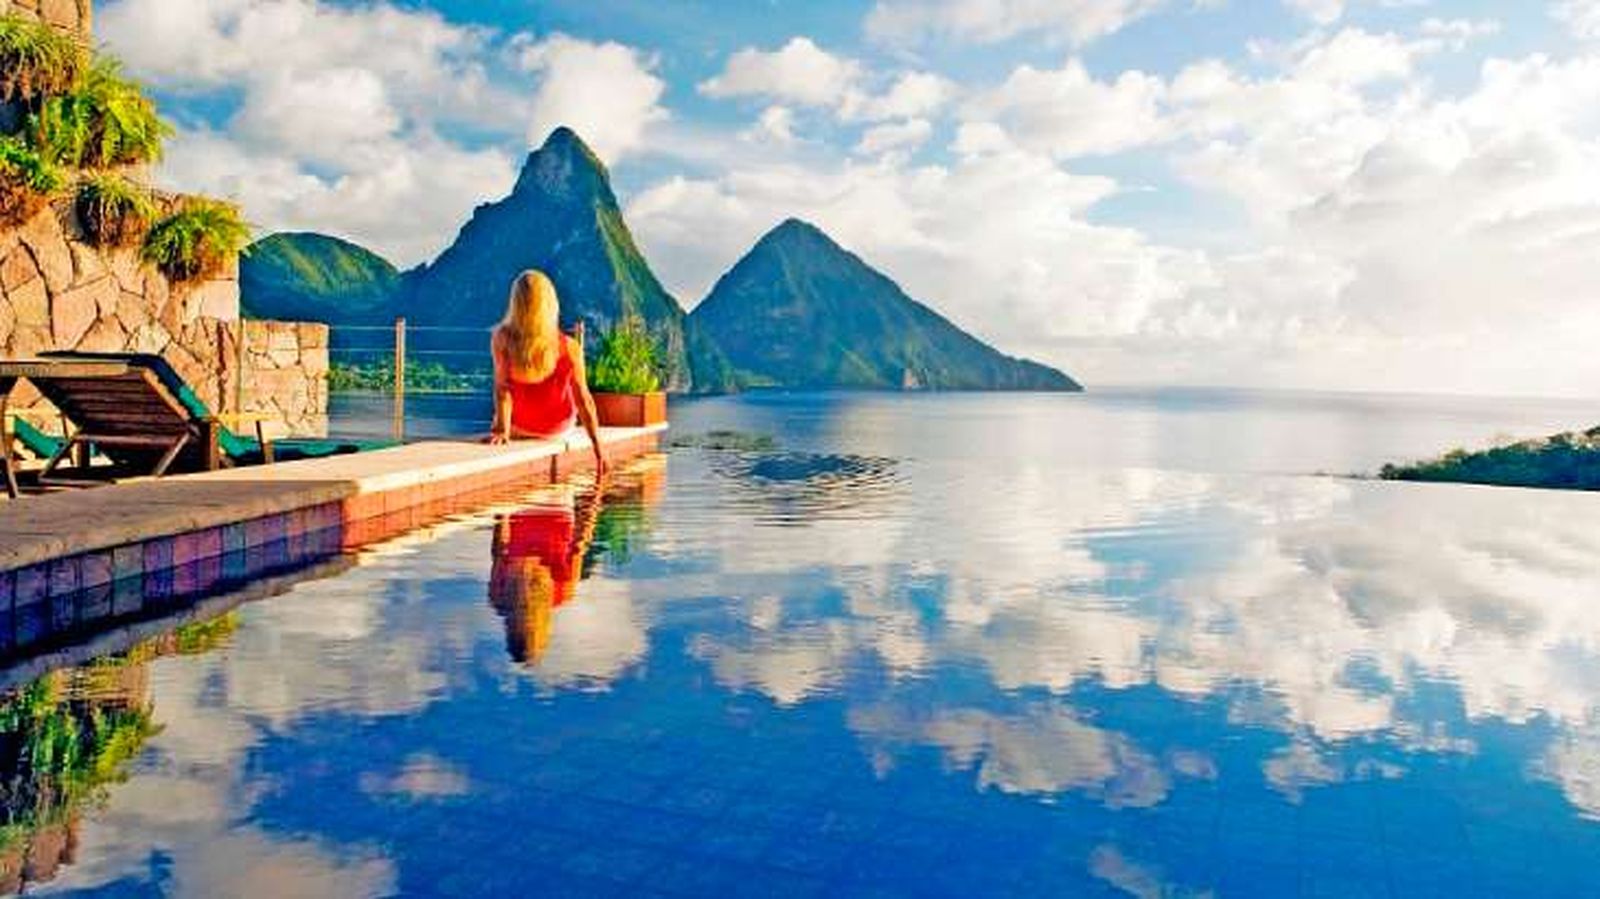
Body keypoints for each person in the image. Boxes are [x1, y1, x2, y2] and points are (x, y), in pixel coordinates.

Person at [487, 270, 606, 477]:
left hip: (519, 427)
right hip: (558, 429)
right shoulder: (570, 347)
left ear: (516, 303)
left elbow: (502, 389)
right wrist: (598, 448)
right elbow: (583, 400)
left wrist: (502, 431)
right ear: (551, 303)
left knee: (497, 414)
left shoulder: (502, 338)